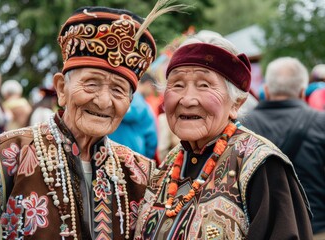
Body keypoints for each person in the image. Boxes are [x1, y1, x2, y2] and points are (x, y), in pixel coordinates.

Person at [0, 3, 182, 239]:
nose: (103, 101)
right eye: (91, 83)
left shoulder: (141, 175)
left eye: (118, 90)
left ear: (129, 104)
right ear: (61, 89)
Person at [134, 35, 313, 239]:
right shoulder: (170, 163)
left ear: (236, 103)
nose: (187, 99)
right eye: (177, 85)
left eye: (204, 85)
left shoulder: (260, 166)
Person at [241, 57, 325, 239]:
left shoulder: (242, 127)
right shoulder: (321, 123)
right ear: (303, 92)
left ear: (266, 90)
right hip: (316, 229)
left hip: (262, 232)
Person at [109, 91, 158, 159]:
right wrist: (146, 158)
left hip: (108, 153)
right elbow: (151, 137)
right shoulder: (143, 105)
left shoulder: (108, 102)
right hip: (135, 156)